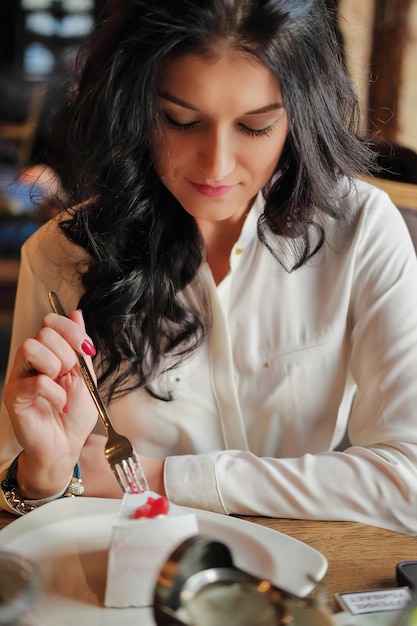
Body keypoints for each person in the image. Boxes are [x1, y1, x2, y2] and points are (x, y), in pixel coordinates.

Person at [1, 0, 417, 533]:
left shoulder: (359, 229)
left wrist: (156, 479)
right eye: (181, 120)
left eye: (256, 127)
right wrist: (45, 473)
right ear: (135, 106)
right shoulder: (62, 254)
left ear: (300, 113)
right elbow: (19, 486)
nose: (217, 165)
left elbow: (406, 481)